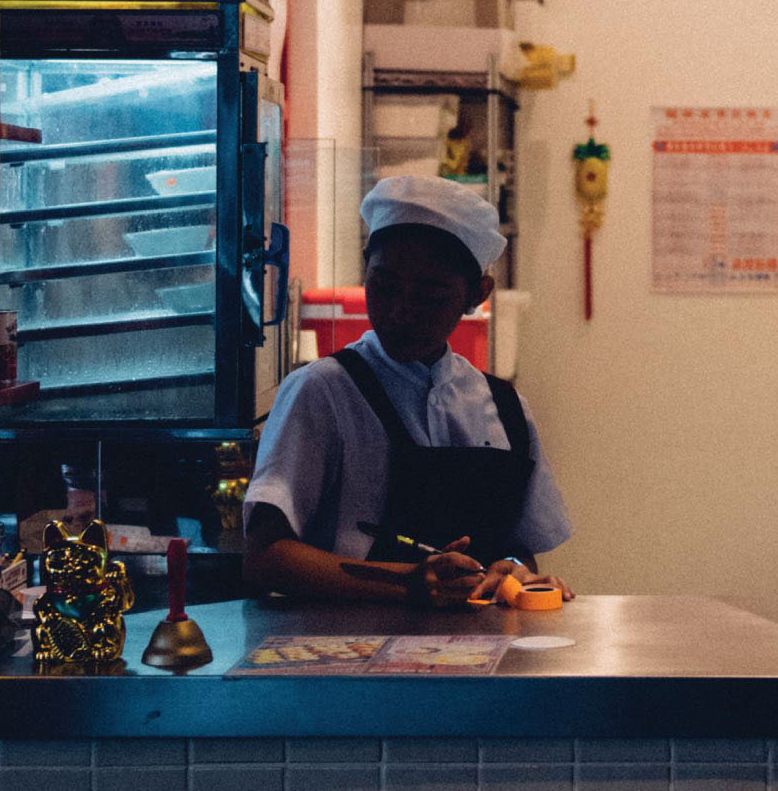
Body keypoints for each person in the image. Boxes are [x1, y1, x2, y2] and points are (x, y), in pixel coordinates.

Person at [244, 174, 573, 606]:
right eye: (384, 287)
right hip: (349, 655)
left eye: (430, 297)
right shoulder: (322, 391)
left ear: (477, 293)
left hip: (481, 660)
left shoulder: (506, 408)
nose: (401, 311)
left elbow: (519, 544)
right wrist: (405, 581)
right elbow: (266, 555)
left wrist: (513, 567)